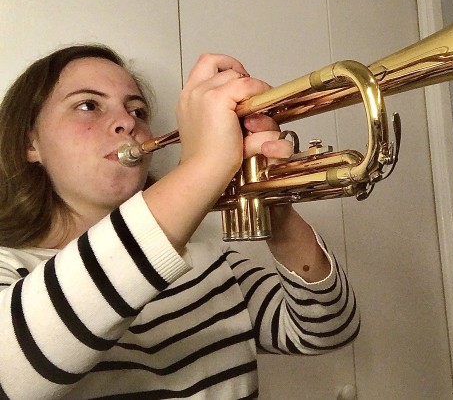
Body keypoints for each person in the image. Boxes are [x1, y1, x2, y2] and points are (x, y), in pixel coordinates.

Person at [0, 44, 360, 399]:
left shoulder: (208, 263)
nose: (128, 122)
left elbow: (326, 330)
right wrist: (205, 164)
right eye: (88, 106)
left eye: (137, 110)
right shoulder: (10, 269)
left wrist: (275, 207)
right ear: (30, 143)